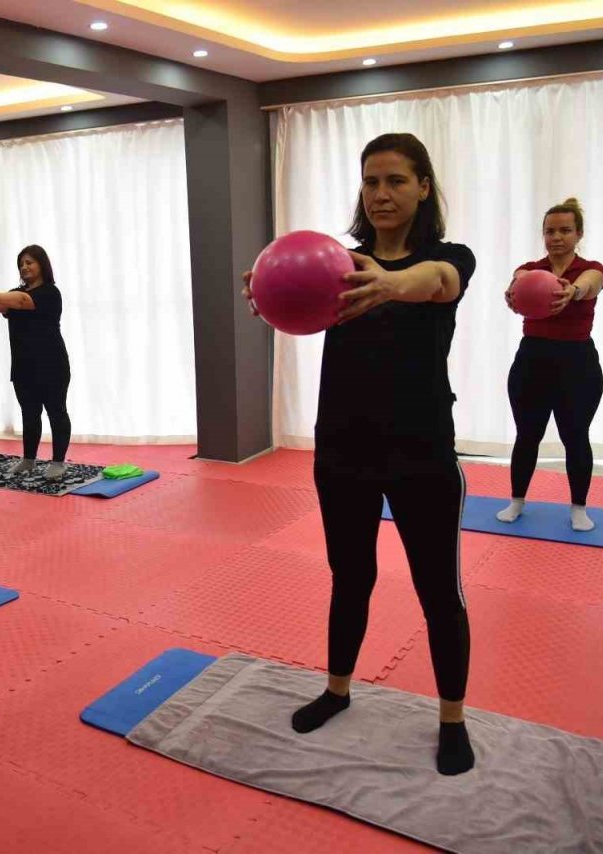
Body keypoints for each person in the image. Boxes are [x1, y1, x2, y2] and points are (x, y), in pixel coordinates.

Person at [243, 132, 476, 775]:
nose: (381, 194)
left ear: (423, 186)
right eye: (371, 181)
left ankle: (452, 718)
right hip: (343, 451)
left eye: (396, 180)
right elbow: (292, 299)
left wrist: (391, 283)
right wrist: (270, 291)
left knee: (439, 591)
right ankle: (338, 690)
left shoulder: (447, 256)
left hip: (423, 454)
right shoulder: (335, 265)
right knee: (351, 579)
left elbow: (439, 282)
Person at [498, 199, 603, 532]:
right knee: (527, 435)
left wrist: (572, 291)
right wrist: (514, 288)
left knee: (575, 436)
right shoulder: (532, 268)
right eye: (550, 231)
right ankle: (516, 501)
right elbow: (520, 278)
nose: (556, 237)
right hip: (532, 361)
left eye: (565, 230)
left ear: (579, 234)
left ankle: (578, 507)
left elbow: (592, 282)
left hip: (577, 364)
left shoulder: (591, 268)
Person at [0, 245, 72, 481]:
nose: (24, 267)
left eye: (30, 262)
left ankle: (58, 462)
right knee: (29, 414)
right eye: (21, 263)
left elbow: (20, 301)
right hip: (23, 366)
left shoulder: (50, 293)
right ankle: (28, 460)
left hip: (52, 365)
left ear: (42, 265)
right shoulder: (14, 293)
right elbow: (3, 305)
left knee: (56, 412)